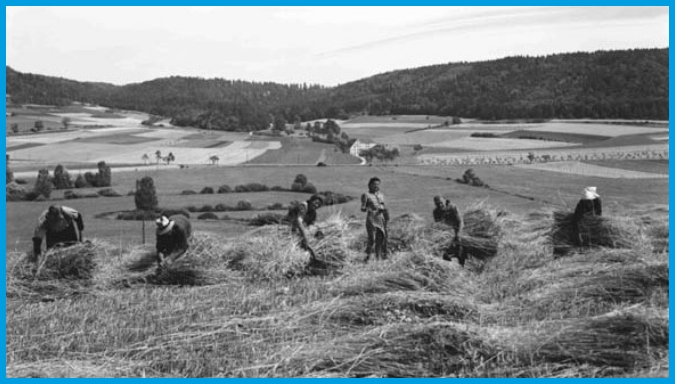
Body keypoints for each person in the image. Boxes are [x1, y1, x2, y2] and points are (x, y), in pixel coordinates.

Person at [288, 194, 324, 260]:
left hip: (302, 228)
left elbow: (312, 225)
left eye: (319, 205)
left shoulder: (313, 213)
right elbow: (299, 221)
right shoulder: (304, 205)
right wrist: (305, 238)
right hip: (291, 226)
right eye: (316, 203)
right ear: (311, 200)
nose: (317, 205)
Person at [361, 177, 389, 262]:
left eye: (378, 185)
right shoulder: (366, 195)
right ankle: (367, 257)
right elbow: (363, 208)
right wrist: (369, 209)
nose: (376, 186)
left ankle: (378, 258)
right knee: (372, 239)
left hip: (380, 218)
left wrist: (385, 214)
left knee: (380, 239)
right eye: (374, 185)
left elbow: (383, 205)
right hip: (371, 218)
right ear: (369, 185)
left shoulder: (381, 195)